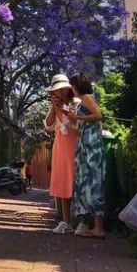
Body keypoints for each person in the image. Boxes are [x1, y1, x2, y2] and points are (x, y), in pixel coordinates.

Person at [64, 73, 106, 239]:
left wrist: (78, 116)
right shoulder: (80, 101)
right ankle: (94, 226)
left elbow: (98, 115)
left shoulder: (87, 97)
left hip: (92, 147)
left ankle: (99, 228)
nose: (71, 89)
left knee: (94, 183)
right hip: (85, 145)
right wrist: (70, 115)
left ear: (78, 85)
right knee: (88, 183)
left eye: (72, 85)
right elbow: (77, 126)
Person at [44, 73, 79, 234]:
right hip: (60, 146)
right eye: (56, 90)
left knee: (77, 181)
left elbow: (77, 122)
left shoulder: (76, 103)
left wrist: (64, 109)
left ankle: (82, 221)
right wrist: (53, 107)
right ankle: (66, 221)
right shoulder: (54, 106)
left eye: (62, 89)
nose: (59, 92)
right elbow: (49, 125)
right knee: (63, 181)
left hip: (75, 145)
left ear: (68, 88)